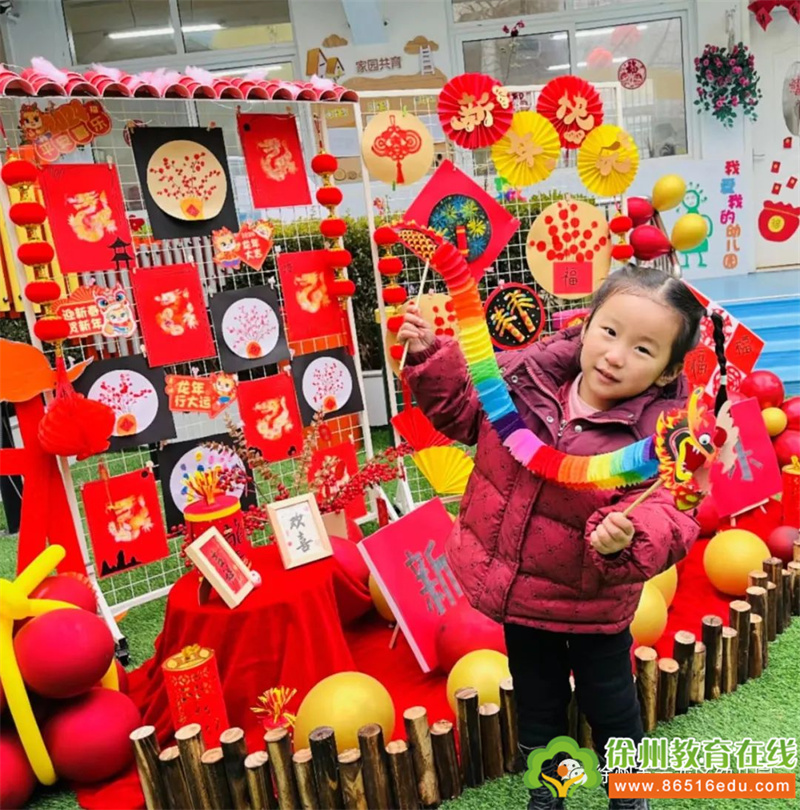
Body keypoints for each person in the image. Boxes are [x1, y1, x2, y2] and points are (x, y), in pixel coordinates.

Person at [399, 264, 707, 810]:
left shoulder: (664, 435)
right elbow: (465, 416)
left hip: (593, 603)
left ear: (665, 372)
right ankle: (549, 788)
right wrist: (429, 359)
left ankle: (629, 791)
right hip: (523, 596)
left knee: (610, 704)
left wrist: (630, 535)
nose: (615, 355)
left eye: (643, 349)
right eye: (609, 332)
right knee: (537, 704)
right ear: (586, 326)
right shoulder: (525, 378)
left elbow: (673, 512)